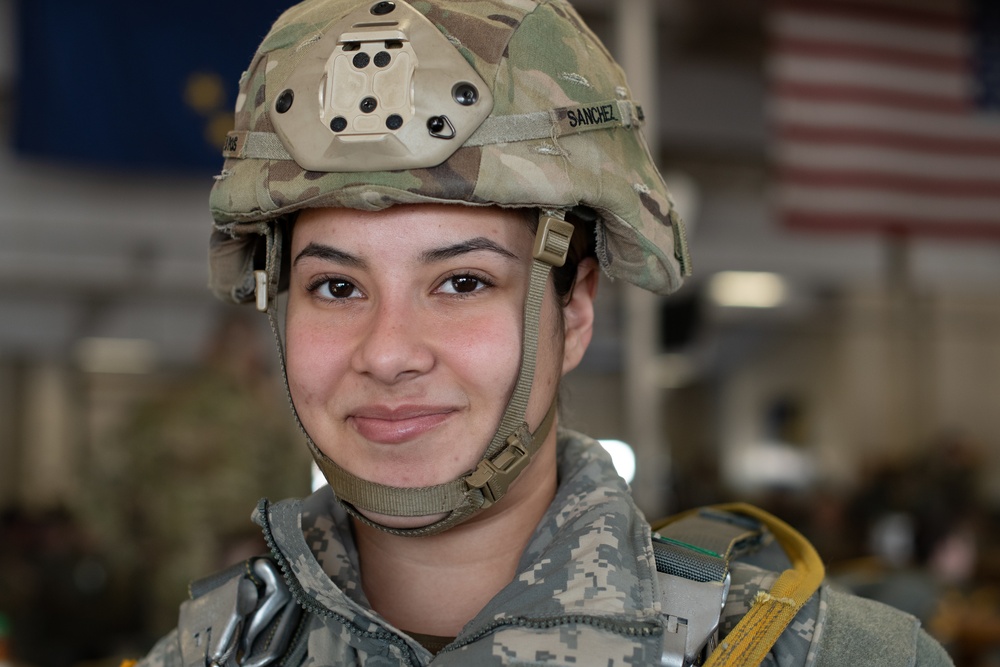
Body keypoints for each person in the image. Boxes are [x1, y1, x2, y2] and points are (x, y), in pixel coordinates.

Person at [136, 0, 953, 665]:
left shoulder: (820, 654)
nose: (386, 352)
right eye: (336, 285)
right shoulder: (205, 652)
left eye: (462, 281)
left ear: (574, 311)